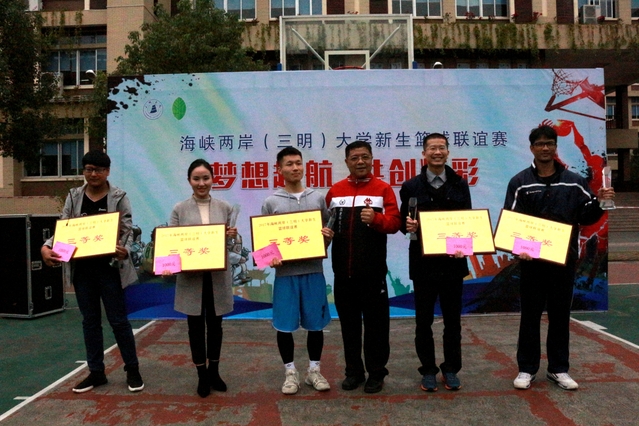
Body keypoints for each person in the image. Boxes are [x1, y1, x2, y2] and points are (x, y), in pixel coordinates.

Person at [504, 125, 615, 391]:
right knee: (530, 316)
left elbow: (586, 215)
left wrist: (600, 201)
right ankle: (526, 369)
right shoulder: (520, 182)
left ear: (555, 147)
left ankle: (558, 369)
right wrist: (518, 247)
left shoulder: (574, 181)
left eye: (550, 143)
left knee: (560, 316)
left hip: (564, 261)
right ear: (532, 148)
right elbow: (512, 220)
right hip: (531, 263)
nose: (545, 148)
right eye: (540, 144)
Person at [41, 150, 144, 393]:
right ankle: (96, 372)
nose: (93, 174)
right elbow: (65, 227)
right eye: (88, 169)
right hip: (83, 271)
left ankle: (132, 370)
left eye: (98, 170)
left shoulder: (119, 197)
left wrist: (124, 250)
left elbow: (127, 230)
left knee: (119, 321)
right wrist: (46, 247)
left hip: (110, 270)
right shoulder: (74, 195)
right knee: (90, 322)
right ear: (84, 171)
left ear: (107, 172)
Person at [325, 140, 401, 393]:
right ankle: (353, 372)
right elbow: (326, 225)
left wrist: (376, 219)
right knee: (349, 326)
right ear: (347, 161)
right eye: (355, 157)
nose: (360, 162)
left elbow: (395, 223)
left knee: (376, 327)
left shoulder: (383, 189)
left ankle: (376, 373)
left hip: (373, 274)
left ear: (372, 160)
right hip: (342, 274)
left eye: (365, 157)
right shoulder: (335, 191)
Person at [399, 133, 471, 392]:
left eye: (441, 147)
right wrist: (407, 225)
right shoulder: (411, 186)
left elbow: (467, 221)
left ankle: (451, 369)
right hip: (423, 264)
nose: (437, 152)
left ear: (448, 152)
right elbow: (402, 223)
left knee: (453, 322)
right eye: (432, 148)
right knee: (423, 322)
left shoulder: (460, 184)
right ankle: (428, 370)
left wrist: (465, 246)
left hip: (453, 263)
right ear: (424, 154)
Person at [261, 147, 334, 395]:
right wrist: (270, 258)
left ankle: (314, 371)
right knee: (284, 326)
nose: (295, 168)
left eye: (298, 163)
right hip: (285, 276)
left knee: (316, 325)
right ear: (279, 169)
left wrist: (327, 238)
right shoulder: (271, 202)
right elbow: (264, 244)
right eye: (289, 164)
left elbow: (325, 237)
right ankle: (290, 373)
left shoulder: (318, 198)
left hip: (313, 272)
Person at [168, 159, 236, 397]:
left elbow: (233, 245)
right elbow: (172, 243)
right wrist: (167, 264)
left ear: (213, 179)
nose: (201, 183)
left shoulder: (225, 207)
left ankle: (214, 371)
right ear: (189, 180)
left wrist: (232, 236)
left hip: (217, 277)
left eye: (206, 178)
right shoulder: (179, 209)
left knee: (216, 326)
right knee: (195, 328)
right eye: (196, 178)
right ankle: (201, 375)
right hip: (191, 278)